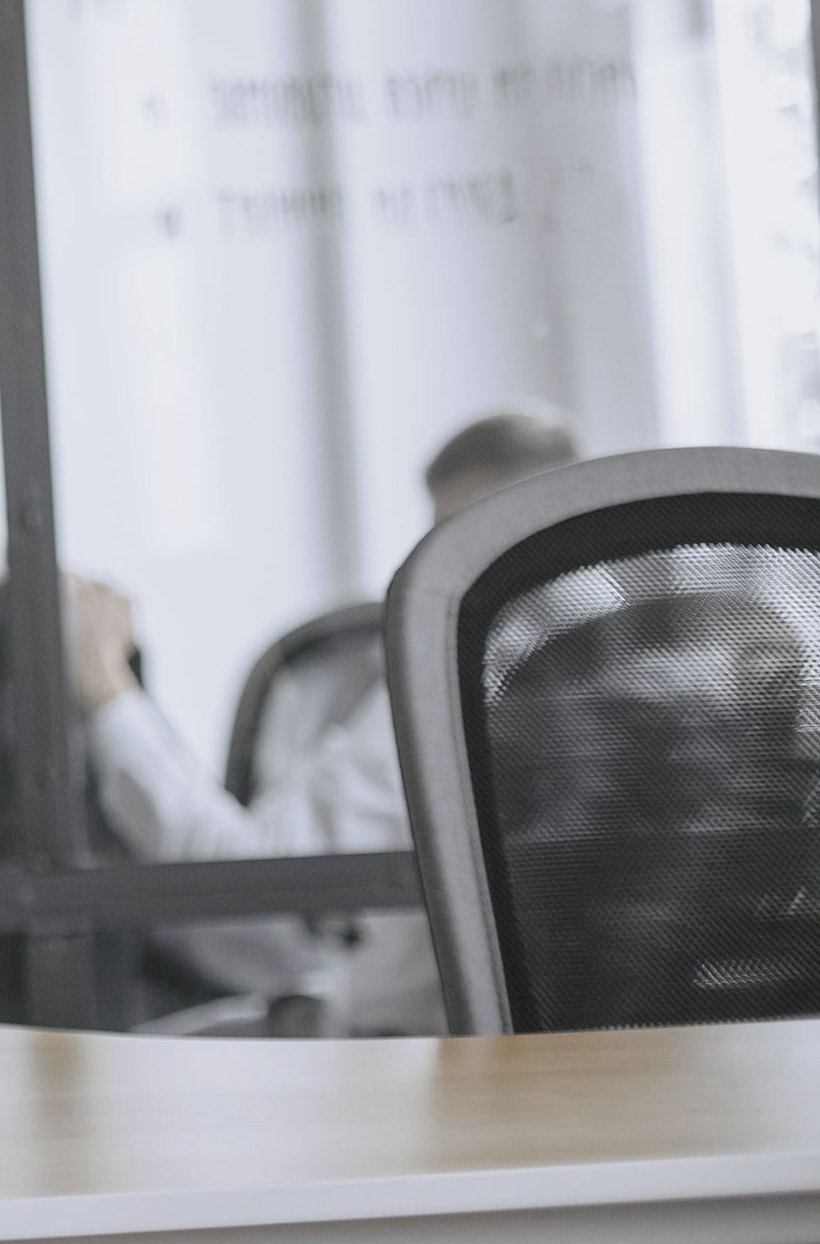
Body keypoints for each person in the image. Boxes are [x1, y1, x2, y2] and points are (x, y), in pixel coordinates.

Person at [65, 407, 582, 1033]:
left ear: (502, 528)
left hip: (416, 1056)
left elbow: (249, 883)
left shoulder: (473, 677)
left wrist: (103, 686)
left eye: (448, 535)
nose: (433, 562)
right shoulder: (675, 654)